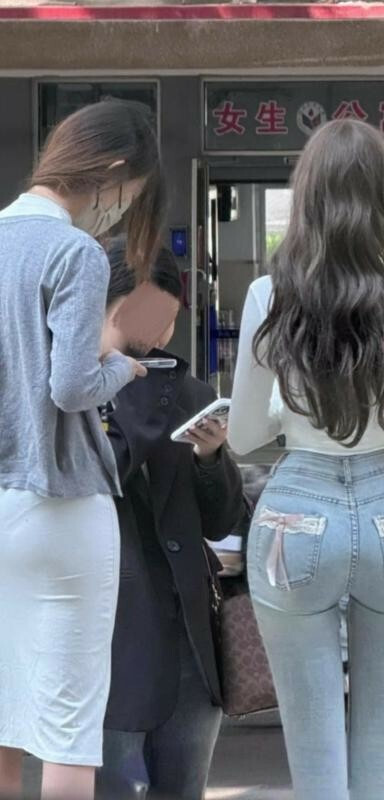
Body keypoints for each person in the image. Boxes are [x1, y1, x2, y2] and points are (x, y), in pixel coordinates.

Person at [228, 118, 384, 800]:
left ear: (307, 200)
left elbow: (244, 435)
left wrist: (292, 414)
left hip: (295, 517)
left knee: (313, 751)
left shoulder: (267, 296)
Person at [0, 100, 165, 800]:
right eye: (130, 195)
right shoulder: (76, 252)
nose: (122, 212)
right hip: (63, 503)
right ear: (115, 171)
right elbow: (71, 388)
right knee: (68, 725)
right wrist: (122, 367)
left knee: (3, 712)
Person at [95, 237, 245, 800]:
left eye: (167, 317)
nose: (157, 335)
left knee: (183, 786)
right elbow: (100, 476)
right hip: (108, 633)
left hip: (187, 632)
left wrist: (210, 456)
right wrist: (129, 399)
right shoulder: (72, 398)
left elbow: (223, 519)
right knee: (111, 785)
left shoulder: (189, 392)